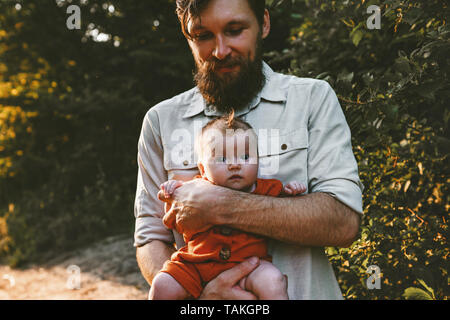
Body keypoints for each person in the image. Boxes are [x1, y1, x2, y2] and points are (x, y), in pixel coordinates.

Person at [134, 0, 364, 300]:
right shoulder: (160, 121)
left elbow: (343, 222)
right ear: (187, 35)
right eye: (203, 35)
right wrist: (202, 297)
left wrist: (219, 205)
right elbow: (150, 239)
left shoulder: (312, 99)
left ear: (264, 24)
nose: (220, 50)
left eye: (234, 30)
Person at [149, 115, 306, 300]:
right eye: (222, 158)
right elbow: (175, 219)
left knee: (273, 280)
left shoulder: (268, 188)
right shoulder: (194, 188)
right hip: (196, 263)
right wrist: (172, 191)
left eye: (245, 157)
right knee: (161, 285)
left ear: (259, 160)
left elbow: (283, 212)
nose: (235, 165)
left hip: (250, 264)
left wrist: (290, 192)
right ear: (202, 168)